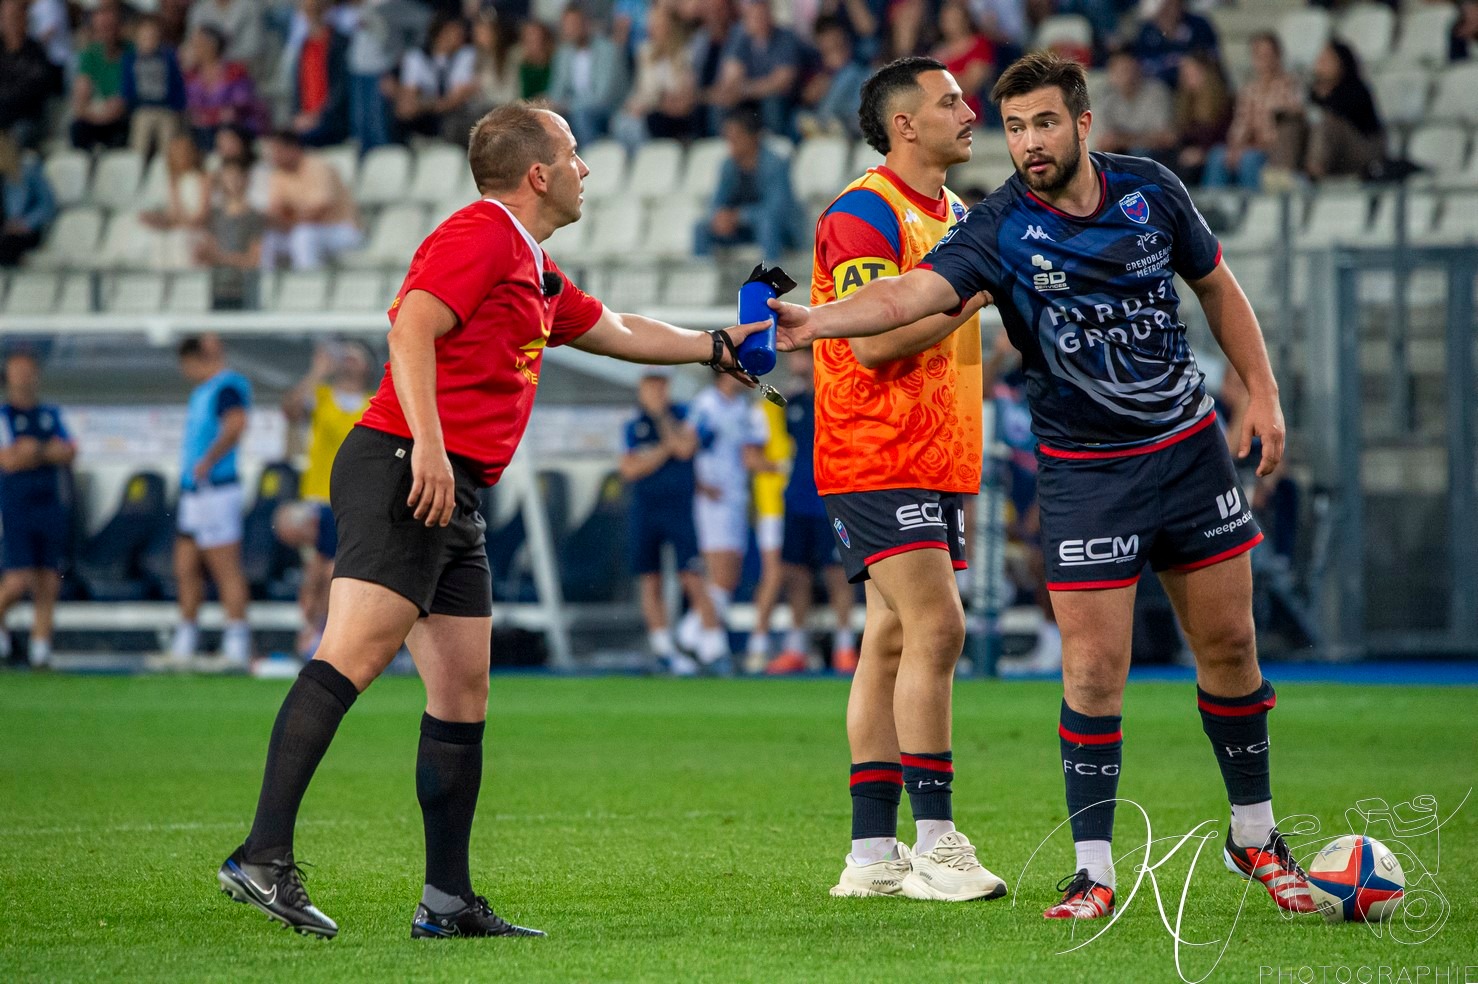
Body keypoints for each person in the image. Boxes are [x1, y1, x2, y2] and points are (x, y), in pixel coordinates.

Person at [769, 51, 1309, 922]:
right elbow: (911, 297)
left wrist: (1263, 392)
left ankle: (1255, 835)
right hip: (1078, 471)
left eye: (1043, 122)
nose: (1025, 141)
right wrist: (815, 321)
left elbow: (1216, 284)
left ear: (1083, 123)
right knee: (1088, 668)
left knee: (1234, 647)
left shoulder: (1150, 190)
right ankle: (1088, 870)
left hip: (1188, 448)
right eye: (1013, 125)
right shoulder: (993, 223)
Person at [215, 102, 766, 940]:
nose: (587, 169)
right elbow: (410, 328)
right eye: (575, 154)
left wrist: (715, 343)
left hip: (450, 484)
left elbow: (613, 327)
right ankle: (261, 856)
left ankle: (446, 903)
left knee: (463, 691)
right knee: (352, 654)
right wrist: (430, 449)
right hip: (406, 465)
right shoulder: (480, 232)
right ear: (538, 173)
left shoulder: (529, 260)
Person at [785, 56, 1001, 903]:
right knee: (937, 627)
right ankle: (938, 843)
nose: (970, 110)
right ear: (904, 124)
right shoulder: (863, 212)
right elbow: (872, 343)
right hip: (876, 450)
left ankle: (871, 856)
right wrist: (978, 293)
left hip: (937, 452)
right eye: (950, 101)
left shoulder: (956, 212)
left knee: (889, 641)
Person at [619, 367, 726, 675]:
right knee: (649, 578)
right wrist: (664, 450)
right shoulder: (632, 422)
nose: (656, 392)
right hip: (645, 509)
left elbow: (685, 447)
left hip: (680, 509)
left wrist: (663, 426)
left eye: (661, 385)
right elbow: (629, 469)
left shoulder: (683, 413)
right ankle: (663, 648)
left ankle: (713, 646)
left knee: (692, 575)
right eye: (651, 385)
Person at [761, 347, 856, 676]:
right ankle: (796, 647)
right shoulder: (794, 402)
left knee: (837, 572)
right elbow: (777, 420)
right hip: (798, 498)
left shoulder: (837, 398)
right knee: (795, 573)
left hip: (830, 497)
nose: (795, 363)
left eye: (802, 356)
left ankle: (845, 646)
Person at [278, 341, 372, 658]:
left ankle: (328, 634)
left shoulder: (373, 403)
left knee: (335, 573)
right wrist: (317, 371)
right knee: (315, 574)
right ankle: (310, 633)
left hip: (353, 500)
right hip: (319, 496)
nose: (348, 360)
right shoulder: (322, 397)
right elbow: (291, 409)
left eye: (355, 355)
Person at [171, 334, 254, 669]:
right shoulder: (202, 391)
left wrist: (209, 459)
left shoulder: (226, 387)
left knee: (224, 567)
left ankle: (236, 640)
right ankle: (185, 639)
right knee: (185, 566)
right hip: (194, 493)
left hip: (216, 490)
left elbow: (236, 425)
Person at [678, 370, 768, 670]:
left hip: (736, 498)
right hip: (713, 499)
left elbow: (748, 454)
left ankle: (690, 639)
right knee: (720, 575)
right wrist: (697, 483)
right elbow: (687, 447)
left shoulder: (745, 408)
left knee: (728, 578)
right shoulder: (706, 404)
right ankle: (701, 643)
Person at [0, 351, 75, 669]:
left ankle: (40, 648)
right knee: (18, 580)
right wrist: (46, 452)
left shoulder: (50, 413)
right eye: (17, 371)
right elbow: (9, 460)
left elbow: (69, 451)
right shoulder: (3, 416)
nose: (24, 377)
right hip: (16, 506)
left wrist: (36, 450)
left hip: (49, 505)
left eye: (29, 370)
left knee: (48, 580)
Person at [693, 109, 804, 267]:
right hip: (743, 229)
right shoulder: (728, 166)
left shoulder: (775, 164)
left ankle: (771, 281)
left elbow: (776, 209)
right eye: (728, 137)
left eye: (736, 137)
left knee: (767, 223)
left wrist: (739, 217)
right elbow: (717, 201)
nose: (730, 142)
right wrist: (721, 217)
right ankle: (703, 282)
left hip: (779, 229)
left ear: (753, 137)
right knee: (701, 228)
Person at [1203, 33, 1303, 191]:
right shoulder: (1249, 90)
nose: (1263, 60)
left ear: (1278, 56)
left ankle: (1252, 209)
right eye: (1258, 55)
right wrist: (1235, 148)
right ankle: (1213, 208)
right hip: (1250, 148)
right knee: (1218, 155)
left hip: (1275, 152)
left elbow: (1287, 127)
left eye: (1268, 55)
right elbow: (1240, 124)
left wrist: (1250, 148)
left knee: (1249, 159)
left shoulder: (1290, 85)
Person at [259, 130, 362, 271]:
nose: (273, 157)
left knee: (303, 235)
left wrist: (287, 218)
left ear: (293, 149)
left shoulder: (317, 166)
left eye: (277, 151)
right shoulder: (278, 174)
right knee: (269, 239)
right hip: (304, 228)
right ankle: (266, 287)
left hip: (342, 229)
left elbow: (318, 212)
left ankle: (308, 288)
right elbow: (276, 211)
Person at [711, 0, 803, 137]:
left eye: (763, 15)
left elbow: (782, 81)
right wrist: (740, 88)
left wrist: (746, 89)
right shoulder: (739, 38)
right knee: (721, 104)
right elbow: (730, 79)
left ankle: (775, 142)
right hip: (750, 98)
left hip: (783, 100)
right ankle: (722, 143)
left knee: (772, 101)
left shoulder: (785, 37)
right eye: (754, 16)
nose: (760, 20)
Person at [546, 3, 627, 146]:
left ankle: (588, 162)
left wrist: (568, 106)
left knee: (581, 115)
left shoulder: (608, 50)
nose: (571, 29)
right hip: (572, 109)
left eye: (574, 24)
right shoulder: (563, 53)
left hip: (607, 111)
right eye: (567, 25)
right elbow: (556, 91)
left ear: (586, 24)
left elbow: (602, 97)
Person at [1304, 40, 1383, 182]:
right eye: (1320, 59)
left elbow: (1337, 116)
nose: (1320, 63)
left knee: (1327, 122)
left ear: (1342, 63)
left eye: (1327, 59)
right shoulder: (1312, 92)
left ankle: (1313, 176)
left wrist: (1323, 97)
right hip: (1330, 155)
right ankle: (1284, 177)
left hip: (1361, 151)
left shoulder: (1356, 90)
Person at [394, 13, 479, 142]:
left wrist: (424, 103)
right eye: (456, 32)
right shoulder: (416, 57)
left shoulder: (466, 55)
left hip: (454, 117)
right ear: (441, 33)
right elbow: (406, 106)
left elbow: (454, 101)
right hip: (424, 119)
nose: (461, 37)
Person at [195, 156, 265, 308]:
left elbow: (254, 260)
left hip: (242, 291)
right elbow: (209, 253)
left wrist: (220, 258)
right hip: (215, 290)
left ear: (245, 179)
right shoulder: (215, 215)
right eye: (227, 177)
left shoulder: (253, 217)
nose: (232, 182)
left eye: (236, 177)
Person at [183, 26, 267, 149]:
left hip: (233, 127)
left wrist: (217, 114)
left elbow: (242, 102)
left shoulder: (235, 71)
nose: (193, 49)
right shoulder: (190, 75)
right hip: (201, 128)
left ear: (212, 46)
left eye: (198, 44)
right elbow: (189, 105)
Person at [122, 14, 188, 160]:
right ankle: (136, 169)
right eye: (144, 37)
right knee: (140, 138)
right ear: (136, 38)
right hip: (142, 108)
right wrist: (129, 105)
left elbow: (177, 83)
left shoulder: (168, 57)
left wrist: (178, 107)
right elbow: (126, 87)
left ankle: (167, 168)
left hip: (166, 108)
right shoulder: (130, 59)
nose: (149, 41)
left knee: (169, 139)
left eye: (153, 36)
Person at [70, 3, 132, 152]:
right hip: (97, 115)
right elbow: (80, 101)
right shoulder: (89, 56)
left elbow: (126, 97)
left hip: (121, 118)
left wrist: (113, 110)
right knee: (78, 129)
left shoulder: (131, 53)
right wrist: (98, 116)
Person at [1093, 49, 1174, 161]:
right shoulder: (1105, 95)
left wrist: (1123, 140)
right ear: (1111, 74)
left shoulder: (1156, 92)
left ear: (1139, 70)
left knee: (1139, 152)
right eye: (1120, 71)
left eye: (1130, 70)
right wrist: (1134, 139)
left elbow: (1166, 138)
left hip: (1154, 156)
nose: (1127, 76)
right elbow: (1105, 141)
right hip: (1120, 152)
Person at [0, 0, 60, 150]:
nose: (10, 22)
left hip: (26, 119)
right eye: (6, 17)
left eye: (15, 16)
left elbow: (32, 90)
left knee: (18, 134)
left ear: (24, 18)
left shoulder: (36, 53)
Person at [1130, 0, 1219, 88]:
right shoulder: (1146, 31)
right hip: (1160, 90)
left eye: (1175, 3)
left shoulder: (1199, 25)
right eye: (1166, 4)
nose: (1171, 9)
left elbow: (1212, 58)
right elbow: (1143, 66)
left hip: (1196, 87)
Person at [0, 133, 56, 267]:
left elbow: (47, 204)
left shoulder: (28, 170)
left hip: (21, 230)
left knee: (7, 243)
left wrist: (26, 223)